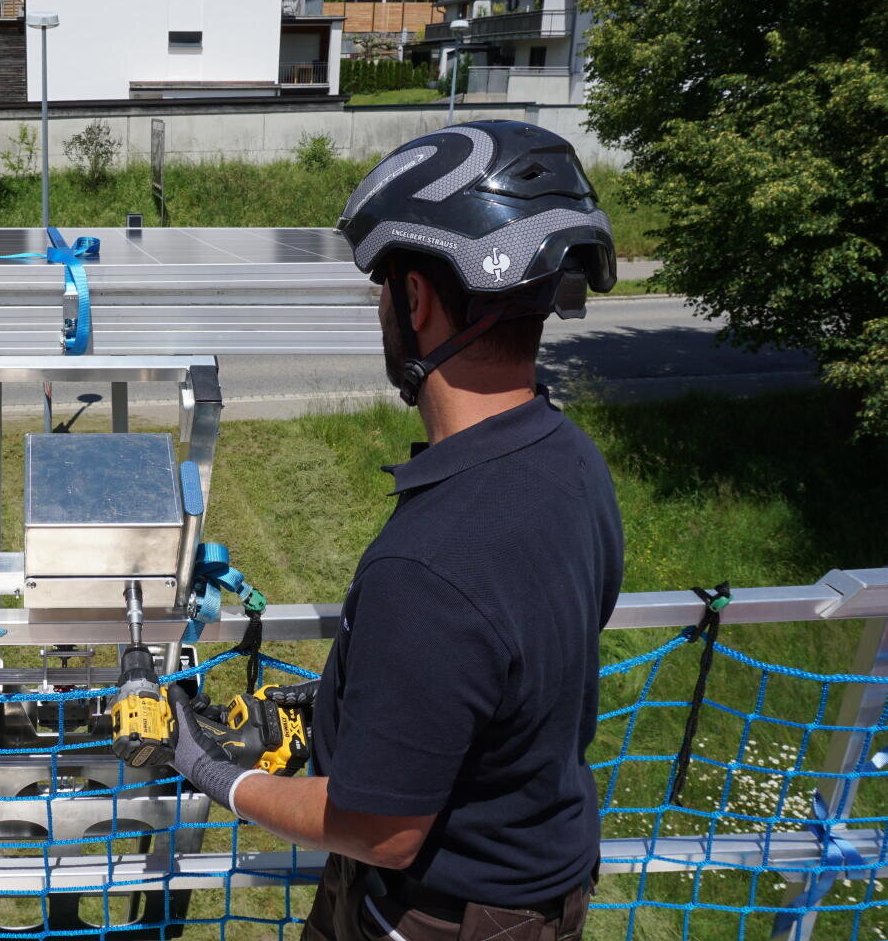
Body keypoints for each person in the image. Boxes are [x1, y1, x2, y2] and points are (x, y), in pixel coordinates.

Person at [169, 120, 625, 941]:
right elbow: (509, 672)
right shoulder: (573, 465)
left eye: (384, 286)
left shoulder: (429, 563)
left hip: (440, 915)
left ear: (415, 299)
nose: (382, 305)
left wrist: (213, 776)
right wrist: (345, 710)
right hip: (538, 886)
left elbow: (378, 827)